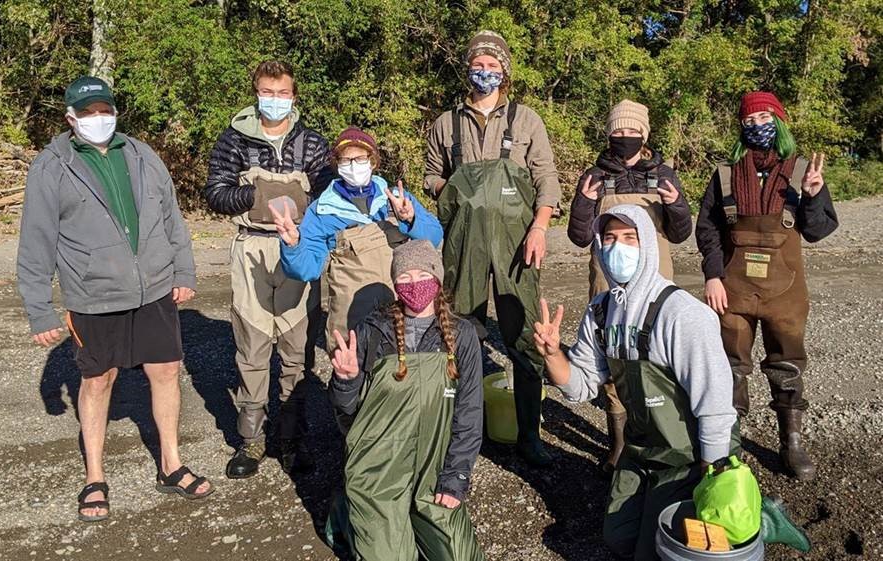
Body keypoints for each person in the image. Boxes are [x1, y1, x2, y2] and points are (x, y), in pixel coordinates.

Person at [18, 76, 211, 522]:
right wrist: (39, 310)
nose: (98, 119)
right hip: (94, 295)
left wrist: (183, 270)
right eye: (87, 113)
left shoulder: (143, 156)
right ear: (70, 119)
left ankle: (171, 463)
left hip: (155, 288)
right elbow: (36, 243)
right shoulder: (51, 168)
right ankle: (95, 476)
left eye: (103, 109)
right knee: (98, 380)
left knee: (165, 371)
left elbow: (172, 219)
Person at [535, 204, 738, 560]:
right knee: (618, 538)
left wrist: (712, 473)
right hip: (641, 448)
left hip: (690, 456)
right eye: (609, 238)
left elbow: (716, 404)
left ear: (647, 245)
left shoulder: (684, 314)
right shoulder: (600, 310)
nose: (618, 248)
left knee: (657, 550)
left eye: (629, 238)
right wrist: (553, 354)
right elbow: (580, 386)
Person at [424, 30, 562, 466]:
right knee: (457, 332)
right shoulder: (445, 122)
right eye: (477, 64)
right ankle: (459, 430)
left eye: (492, 65)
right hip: (462, 243)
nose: (484, 72)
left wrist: (540, 228)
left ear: (505, 71)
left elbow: (547, 178)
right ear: (468, 69)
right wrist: (454, 190)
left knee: (522, 335)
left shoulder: (526, 120)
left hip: (517, 242)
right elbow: (430, 175)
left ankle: (528, 434)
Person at [696, 91, 838, 481]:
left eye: (763, 119)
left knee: (787, 364)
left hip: (785, 294)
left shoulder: (802, 170)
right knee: (730, 367)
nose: (756, 126)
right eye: (749, 121)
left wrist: (812, 196)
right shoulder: (725, 173)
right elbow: (707, 228)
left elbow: (820, 230)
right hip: (732, 289)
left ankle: (790, 443)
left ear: (779, 122)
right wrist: (711, 274)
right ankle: (729, 443)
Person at [204, 60, 334, 478]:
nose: (274, 100)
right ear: (255, 92)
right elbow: (215, 195)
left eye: (282, 93)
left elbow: (331, 196)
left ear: (293, 96)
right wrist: (259, 195)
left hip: (300, 247)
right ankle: (252, 440)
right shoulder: (233, 140)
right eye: (267, 92)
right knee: (252, 348)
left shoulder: (313, 143)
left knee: (298, 351)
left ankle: (293, 439)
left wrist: (302, 216)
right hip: (252, 250)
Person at [326, 240, 485, 561]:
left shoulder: (462, 334)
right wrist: (346, 379)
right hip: (381, 465)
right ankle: (347, 510)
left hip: (433, 463)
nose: (414, 285)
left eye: (422, 275)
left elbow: (470, 412)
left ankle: (407, 514)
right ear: (394, 284)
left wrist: (455, 478)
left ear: (437, 279)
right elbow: (348, 412)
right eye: (404, 278)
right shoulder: (371, 331)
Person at [567, 99, 693, 474]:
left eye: (632, 131)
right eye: (618, 131)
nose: (625, 137)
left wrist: (678, 205)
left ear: (645, 134)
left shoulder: (664, 174)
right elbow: (577, 236)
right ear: (608, 135)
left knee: (655, 351)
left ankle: (661, 430)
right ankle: (618, 442)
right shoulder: (594, 176)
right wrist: (583, 202)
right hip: (607, 277)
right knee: (612, 352)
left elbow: (680, 233)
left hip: (655, 279)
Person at [272, 126, 443, 352]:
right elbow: (307, 270)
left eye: (360, 158)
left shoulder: (397, 199)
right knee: (352, 373)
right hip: (351, 316)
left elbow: (434, 237)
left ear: (373, 162)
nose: (353, 165)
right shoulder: (321, 211)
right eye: (346, 160)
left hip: (401, 306)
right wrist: (293, 245)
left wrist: (410, 219)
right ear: (337, 165)